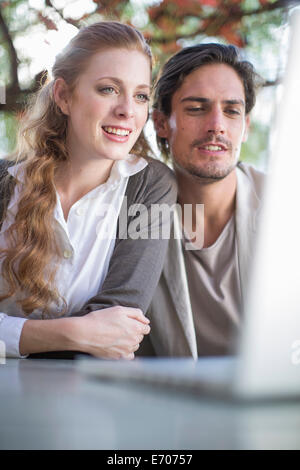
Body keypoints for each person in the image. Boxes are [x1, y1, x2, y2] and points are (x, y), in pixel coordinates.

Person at [0, 21, 176, 359]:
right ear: (64, 96)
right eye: (109, 89)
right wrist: (75, 332)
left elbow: (118, 331)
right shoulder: (5, 183)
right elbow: (95, 336)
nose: (127, 110)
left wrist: (13, 333)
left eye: (140, 95)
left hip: (88, 398)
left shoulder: (151, 186)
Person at [144, 43, 265, 358]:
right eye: (196, 108)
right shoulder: (133, 214)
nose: (216, 125)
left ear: (246, 126)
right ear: (160, 123)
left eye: (232, 110)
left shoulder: (285, 206)